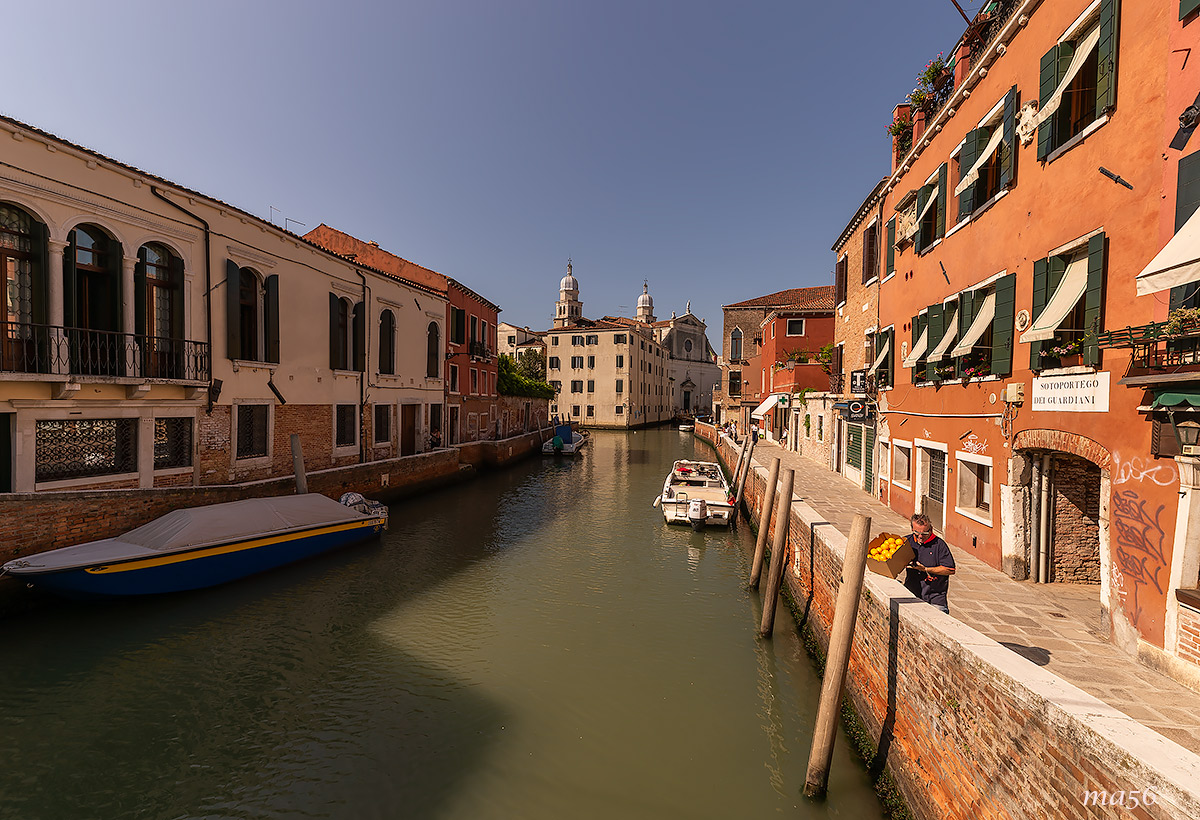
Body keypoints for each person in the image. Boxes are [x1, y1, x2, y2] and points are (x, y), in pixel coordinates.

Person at [903, 513, 956, 614]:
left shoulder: (939, 545)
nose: (920, 536)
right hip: (912, 594)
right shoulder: (906, 542)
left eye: (924, 533)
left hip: (935, 598)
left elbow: (950, 569)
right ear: (912, 529)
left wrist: (926, 569)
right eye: (916, 533)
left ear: (930, 529)